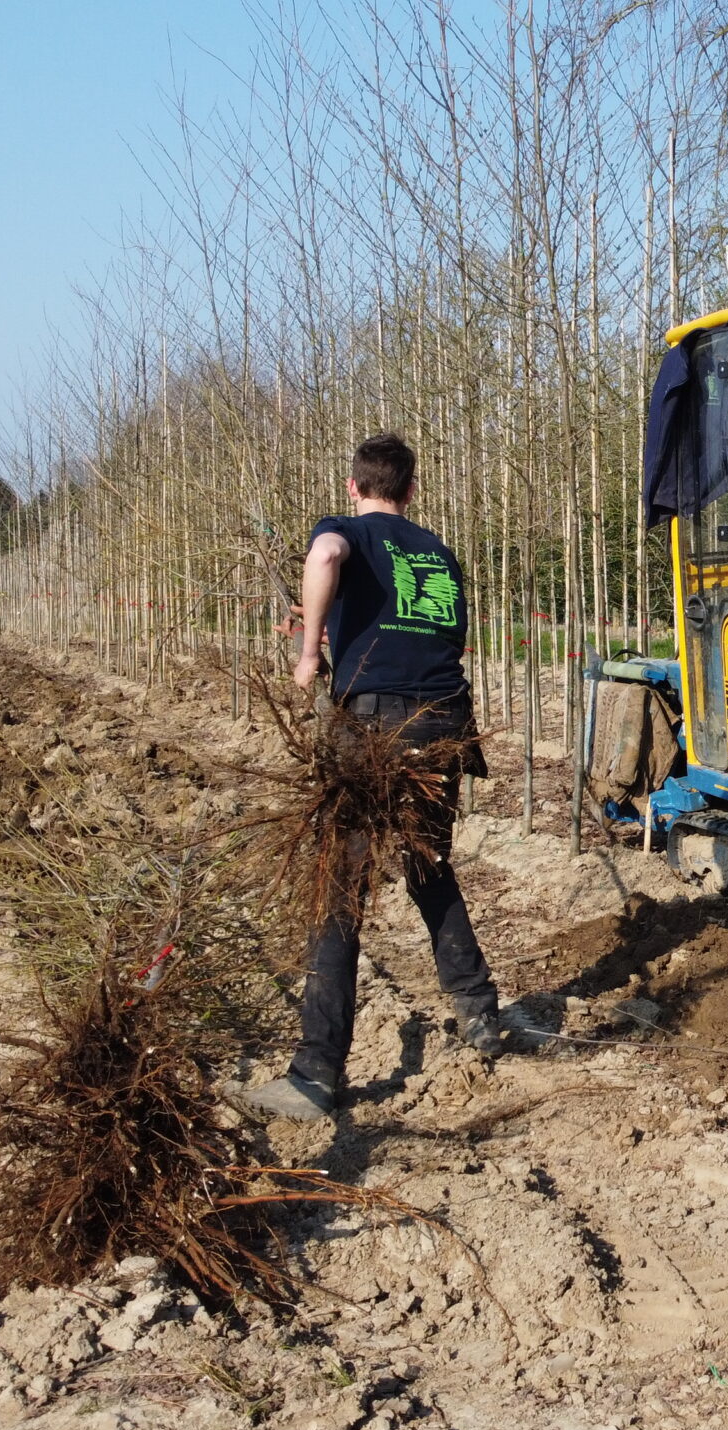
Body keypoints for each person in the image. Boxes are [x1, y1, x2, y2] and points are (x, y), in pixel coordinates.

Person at [245, 432, 501, 1124]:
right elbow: (417, 626)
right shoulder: (436, 552)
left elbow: (326, 556)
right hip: (445, 718)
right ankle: (480, 1014)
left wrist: (307, 654)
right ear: (411, 492)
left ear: (354, 487)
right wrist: (329, 625)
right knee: (428, 863)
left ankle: (315, 1073)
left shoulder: (342, 531)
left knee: (339, 883)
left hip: (375, 726)